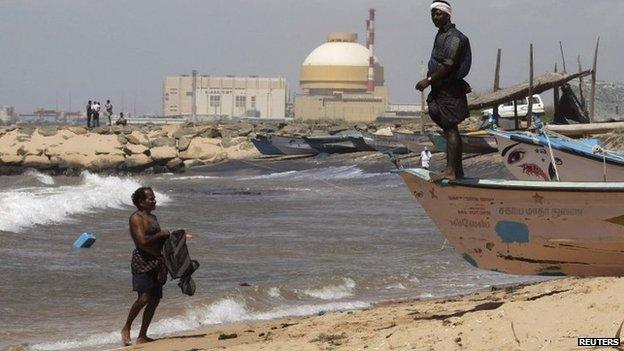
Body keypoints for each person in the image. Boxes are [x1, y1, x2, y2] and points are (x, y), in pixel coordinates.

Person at [416, 0, 471, 180]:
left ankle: (452, 171)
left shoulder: (454, 37)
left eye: (438, 13)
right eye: (433, 14)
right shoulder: (440, 35)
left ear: (448, 15)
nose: (434, 17)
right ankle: (457, 170)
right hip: (440, 89)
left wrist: (428, 80)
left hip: (449, 90)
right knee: (437, 114)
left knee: (450, 129)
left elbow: (448, 65)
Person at [121, 187, 171, 346]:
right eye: (151, 198)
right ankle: (126, 327)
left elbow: (159, 240)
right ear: (141, 202)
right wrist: (162, 234)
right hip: (142, 262)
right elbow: (141, 242)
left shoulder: (153, 218)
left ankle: (142, 335)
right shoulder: (135, 218)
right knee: (144, 298)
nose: (154, 200)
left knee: (155, 299)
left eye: (154, 198)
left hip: (157, 261)